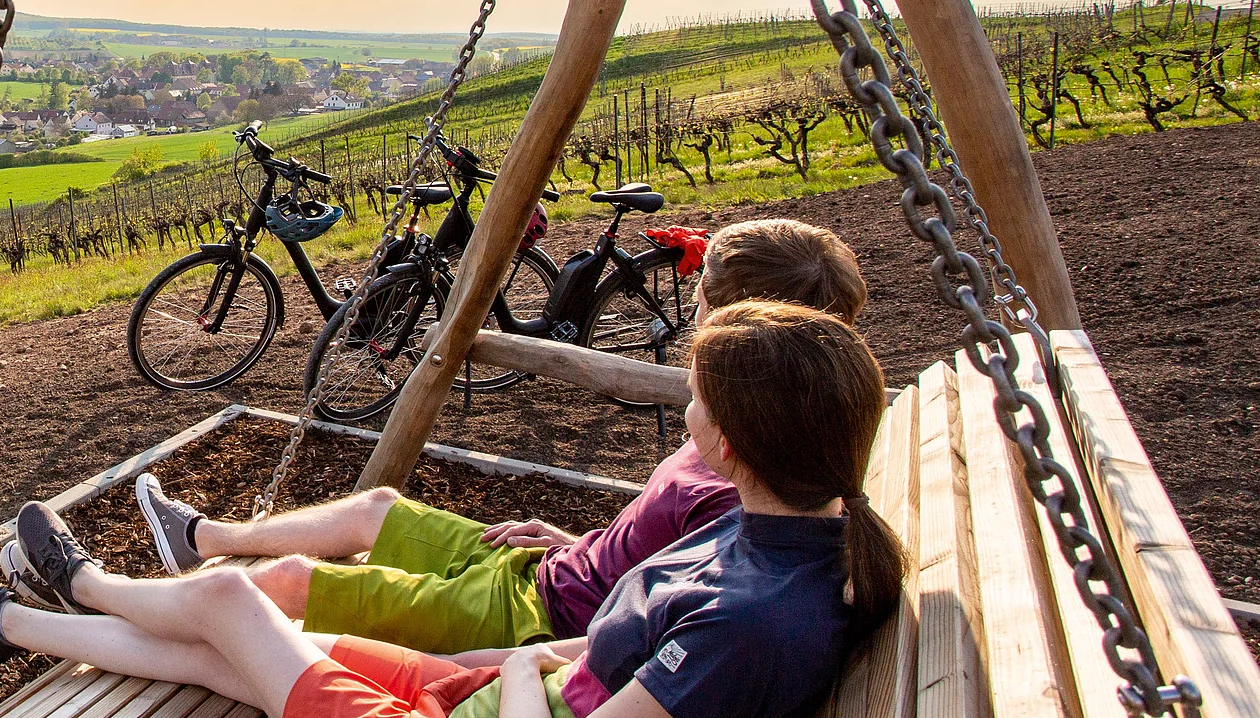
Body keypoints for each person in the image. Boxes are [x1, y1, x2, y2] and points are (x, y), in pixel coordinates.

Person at [0, 300, 902, 718]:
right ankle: (7, 627)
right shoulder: (795, 534)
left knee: (228, 600)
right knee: (244, 642)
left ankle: (69, 591)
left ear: (731, 444)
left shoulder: (755, 619)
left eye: (696, 402)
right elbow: (624, 678)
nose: (684, 416)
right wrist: (512, 668)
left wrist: (518, 664)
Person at [96, 218, 867, 656]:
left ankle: (123, 608)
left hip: (540, 616)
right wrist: (569, 536)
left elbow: (656, 611)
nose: (689, 309)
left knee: (301, 579)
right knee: (376, 509)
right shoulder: (760, 445)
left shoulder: (747, 477)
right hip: (558, 567)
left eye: (699, 297)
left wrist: (508, 662)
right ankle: (201, 540)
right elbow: (657, 555)